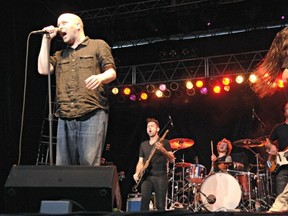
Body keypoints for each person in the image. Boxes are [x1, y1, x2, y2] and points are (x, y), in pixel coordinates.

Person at [37, 13, 116, 166]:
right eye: (58, 24)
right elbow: (42, 69)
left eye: (64, 23)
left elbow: (111, 72)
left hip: (92, 112)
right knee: (63, 167)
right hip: (65, 114)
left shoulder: (98, 45)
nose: (60, 27)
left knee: (88, 164)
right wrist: (45, 40)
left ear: (78, 25)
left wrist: (100, 77)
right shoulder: (61, 55)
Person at [133, 118, 175, 211]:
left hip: (160, 176)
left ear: (158, 129)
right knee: (144, 204)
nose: (149, 128)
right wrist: (136, 173)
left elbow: (172, 159)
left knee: (160, 205)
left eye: (152, 126)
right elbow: (140, 162)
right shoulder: (143, 145)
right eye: (148, 126)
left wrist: (163, 150)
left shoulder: (165, 142)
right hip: (146, 177)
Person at [265, 102, 288, 195]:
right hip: (282, 168)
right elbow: (267, 142)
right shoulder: (279, 128)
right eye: (287, 108)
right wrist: (272, 146)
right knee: (281, 199)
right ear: (284, 112)